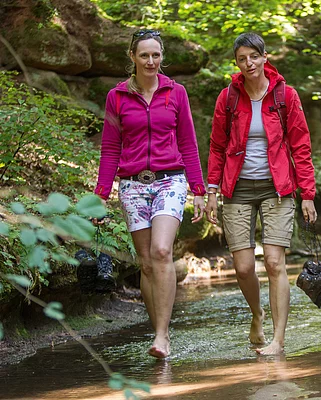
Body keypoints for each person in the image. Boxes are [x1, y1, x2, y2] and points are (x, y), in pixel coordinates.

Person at [94, 29, 206, 359]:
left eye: (156, 55)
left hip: (170, 180)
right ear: (132, 57)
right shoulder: (117, 97)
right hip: (131, 185)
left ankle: (162, 335)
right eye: (144, 55)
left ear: (162, 57)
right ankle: (158, 330)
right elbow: (110, 148)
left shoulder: (176, 92)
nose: (151, 61)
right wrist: (100, 195)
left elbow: (187, 141)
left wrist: (198, 189)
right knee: (145, 264)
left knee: (160, 251)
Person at [205, 32, 317, 355]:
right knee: (242, 267)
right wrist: (212, 190)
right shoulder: (228, 97)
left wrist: (306, 193)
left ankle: (278, 341)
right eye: (242, 58)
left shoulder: (285, 96)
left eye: (254, 56)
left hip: (278, 188)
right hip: (237, 187)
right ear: (237, 63)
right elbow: (217, 147)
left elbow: (301, 144)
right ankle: (257, 314)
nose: (249, 63)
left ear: (265, 57)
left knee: (273, 261)